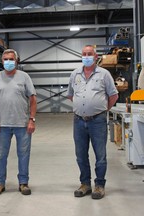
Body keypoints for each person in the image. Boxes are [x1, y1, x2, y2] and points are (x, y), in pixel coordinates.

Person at [67, 45, 119, 199]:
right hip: (78, 121)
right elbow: (70, 95)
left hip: (98, 121)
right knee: (80, 155)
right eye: (84, 54)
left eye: (90, 54)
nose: (87, 56)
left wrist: (102, 110)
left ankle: (100, 185)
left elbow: (113, 95)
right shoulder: (75, 74)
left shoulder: (104, 74)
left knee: (100, 155)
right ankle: (85, 184)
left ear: (96, 57)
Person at [0, 49, 37, 196]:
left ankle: (23, 183)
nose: (8, 62)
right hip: (1, 125)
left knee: (24, 155)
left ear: (16, 61)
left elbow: (33, 100)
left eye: (11, 59)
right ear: (2, 61)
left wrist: (32, 120)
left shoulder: (24, 77)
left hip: (22, 124)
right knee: (1, 155)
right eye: (5, 59)